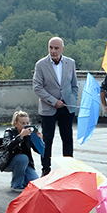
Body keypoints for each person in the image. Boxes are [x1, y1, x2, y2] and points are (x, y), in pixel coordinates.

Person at [32, 36, 78, 176]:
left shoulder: (70, 63)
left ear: (62, 49)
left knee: (67, 138)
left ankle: (68, 169)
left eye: (56, 48)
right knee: (47, 140)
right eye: (51, 48)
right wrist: (53, 101)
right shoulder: (40, 65)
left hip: (66, 107)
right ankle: (46, 169)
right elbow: (37, 87)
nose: (53, 51)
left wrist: (72, 100)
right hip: (48, 108)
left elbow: (74, 85)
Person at [0, 110, 43, 192]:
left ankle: (23, 179)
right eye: (23, 123)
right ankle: (16, 185)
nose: (26, 126)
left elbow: (40, 151)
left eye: (27, 123)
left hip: (25, 163)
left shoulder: (29, 134)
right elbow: (8, 147)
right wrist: (20, 136)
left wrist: (39, 140)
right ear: (16, 123)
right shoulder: (9, 132)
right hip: (7, 161)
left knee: (36, 185)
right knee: (23, 158)